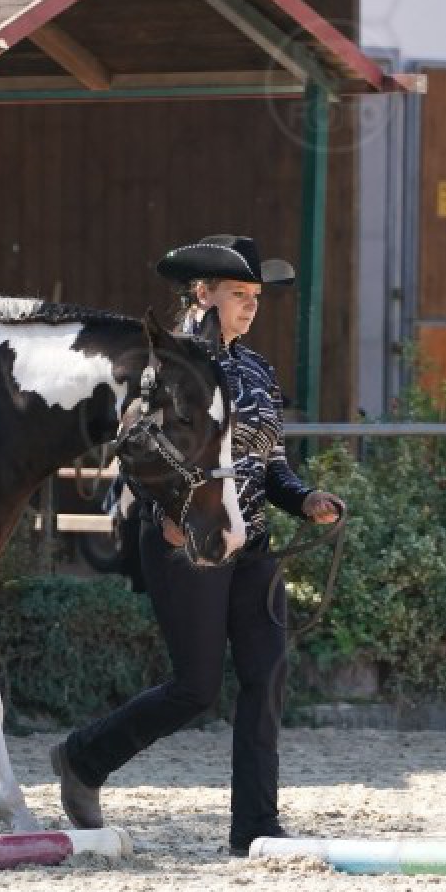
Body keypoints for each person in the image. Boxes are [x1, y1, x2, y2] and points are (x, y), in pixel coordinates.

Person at [49, 234, 345, 854]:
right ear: (204, 294)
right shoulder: (163, 364)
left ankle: (255, 827)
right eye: (240, 294)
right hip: (186, 541)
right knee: (196, 687)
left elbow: (272, 467)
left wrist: (304, 499)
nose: (252, 305)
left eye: (256, 295)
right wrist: (165, 513)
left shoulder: (259, 371)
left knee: (267, 678)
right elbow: (135, 448)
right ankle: (84, 757)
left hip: (252, 542)